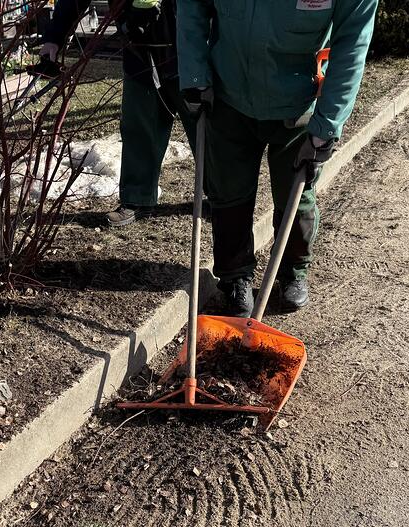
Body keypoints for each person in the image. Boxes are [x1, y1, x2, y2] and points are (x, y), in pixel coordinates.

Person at [177, 0, 377, 314]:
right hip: (229, 95)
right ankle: (234, 277)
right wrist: (193, 74)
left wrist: (328, 123)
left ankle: (292, 272)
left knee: (294, 194)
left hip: (297, 102)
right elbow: (192, 6)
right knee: (228, 192)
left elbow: (352, 41)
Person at [39, 0, 196, 227]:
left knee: (205, 127)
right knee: (140, 126)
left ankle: (221, 196)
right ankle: (138, 199)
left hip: (188, 49)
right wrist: (55, 35)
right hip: (139, 49)